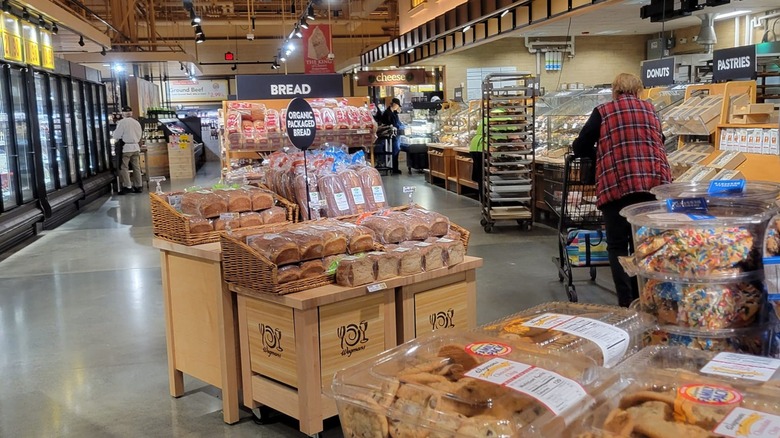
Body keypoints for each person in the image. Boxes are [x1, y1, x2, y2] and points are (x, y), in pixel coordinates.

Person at [572, 73, 671, 307]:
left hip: (617, 184)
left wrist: (598, 155)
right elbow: (661, 139)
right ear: (639, 91)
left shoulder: (603, 111)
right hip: (652, 185)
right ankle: (647, 298)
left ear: (615, 91)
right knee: (645, 242)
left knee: (617, 245)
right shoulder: (650, 110)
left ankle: (627, 303)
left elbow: (581, 144)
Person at [112, 106, 144, 195]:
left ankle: (128, 186)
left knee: (124, 167)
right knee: (136, 167)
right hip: (136, 147)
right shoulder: (137, 122)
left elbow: (117, 135)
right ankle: (139, 186)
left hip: (126, 148)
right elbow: (140, 134)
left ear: (123, 114)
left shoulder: (122, 122)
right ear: (131, 113)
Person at [382, 98, 403, 175]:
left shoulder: (393, 113)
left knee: (396, 151)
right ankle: (394, 168)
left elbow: (398, 123)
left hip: (395, 135)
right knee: (394, 151)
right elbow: (390, 124)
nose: (398, 107)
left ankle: (395, 168)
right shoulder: (387, 113)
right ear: (394, 104)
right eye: (397, 105)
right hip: (391, 136)